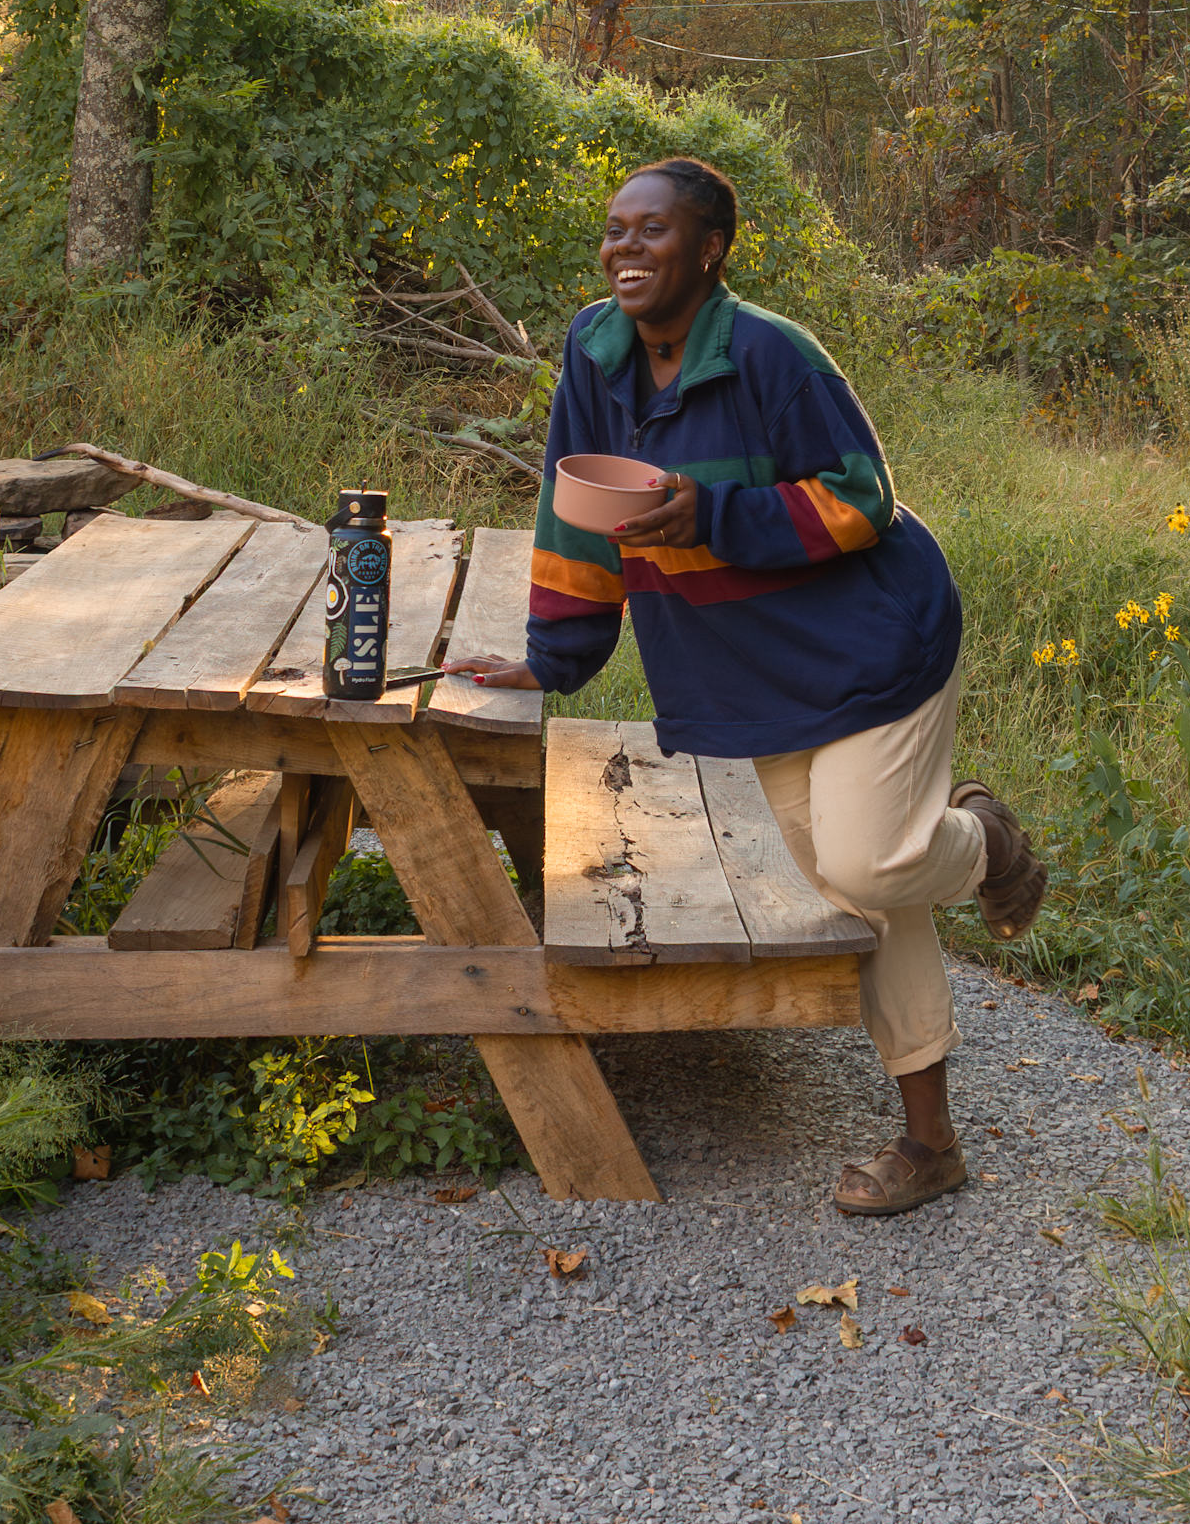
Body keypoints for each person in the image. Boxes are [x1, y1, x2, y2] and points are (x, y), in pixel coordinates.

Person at [441, 156, 1046, 1215]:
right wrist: (555, 656)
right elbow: (572, 513)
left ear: (711, 248)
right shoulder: (595, 352)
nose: (625, 248)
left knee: (870, 859)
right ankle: (934, 1144)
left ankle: (986, 840)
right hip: (752, 674)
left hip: (873, 643)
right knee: (859, 889)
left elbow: (864, 498)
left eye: (653, 230)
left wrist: (715, 515)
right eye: (615, 229)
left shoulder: (773, 355)